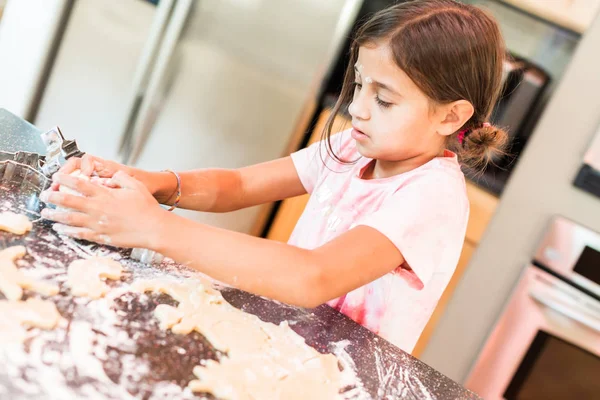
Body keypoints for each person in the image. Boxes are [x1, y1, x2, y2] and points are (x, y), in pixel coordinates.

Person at [40, 0, 508, 353]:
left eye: (384, 99)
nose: (358, 107)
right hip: (277, 345)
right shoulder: (351, 146)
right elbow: (239, 186)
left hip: (337, 376)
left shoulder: (431, 198)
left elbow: (313, 277)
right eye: (361, 84)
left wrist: (153, 227)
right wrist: (146, 182)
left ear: (451, 117)